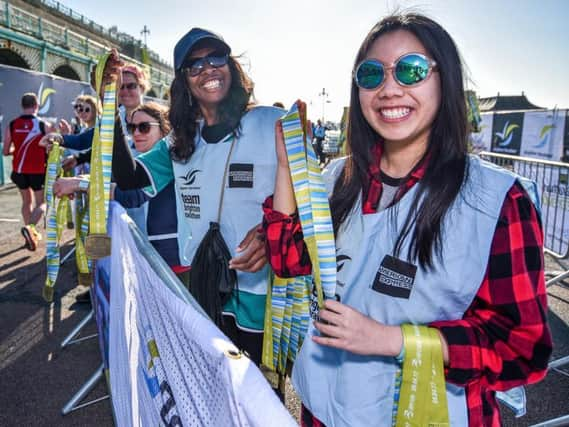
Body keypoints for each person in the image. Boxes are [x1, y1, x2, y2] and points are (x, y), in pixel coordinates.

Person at [264, 13, 552, 426]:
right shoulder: (336, 180)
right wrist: (286, 166)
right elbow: (287, 260)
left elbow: (522, 347)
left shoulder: (498, 200)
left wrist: (393, 341)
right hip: (323, 410)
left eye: (411, 70)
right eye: (371, 74)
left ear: (444, 79)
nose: (389, 89)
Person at [111, 28, 284, 365]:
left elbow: (314, 205)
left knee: (262, 395)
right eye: (194, 65)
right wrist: (109, 104)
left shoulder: (272, 123)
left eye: (215, 57)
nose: (207, 68)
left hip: (262, 293)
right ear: (184, 81)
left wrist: (272, 234)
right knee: (214, 384)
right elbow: (128, 177)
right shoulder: (180, 141)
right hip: (202, 285)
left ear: (231, 66)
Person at [53, 102, 190, 285]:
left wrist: (79, 184)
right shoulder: (140, 158)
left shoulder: (166, 158)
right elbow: (118, 184)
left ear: (164, 131)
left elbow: (132, 196)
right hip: (146, 254)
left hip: (170, 259)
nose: (136, 133)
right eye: (133, 128)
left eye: (144, 127)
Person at [2, 93, 54, 251]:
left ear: (22, 105)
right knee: (43, 203)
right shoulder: (43, 125)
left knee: (26, 202)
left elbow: (5, 151)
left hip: (19, 170)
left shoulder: (12, 124)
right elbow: (51, 149)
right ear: (36, 105)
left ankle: (29, 235)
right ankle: (30, 228)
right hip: (37, 170)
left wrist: (16, 151)